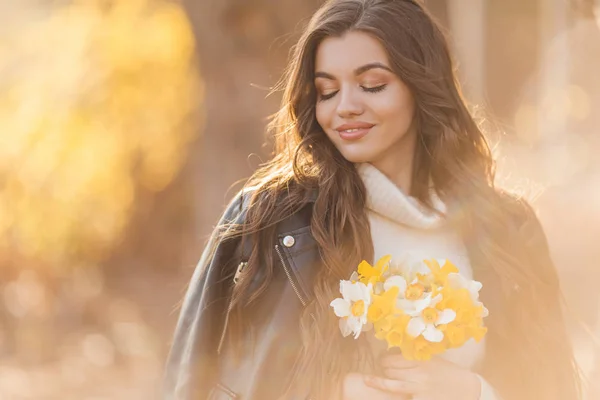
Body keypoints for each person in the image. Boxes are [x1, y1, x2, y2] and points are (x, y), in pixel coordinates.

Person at [163, 0, 582, 399]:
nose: (344, 107)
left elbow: (554, 387)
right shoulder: (270, 220)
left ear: (421, 86)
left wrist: (475, 393)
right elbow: (196, 380)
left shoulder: (508, 227)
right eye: (327, 91)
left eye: (372, 85)